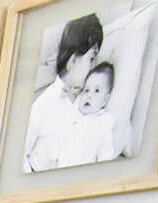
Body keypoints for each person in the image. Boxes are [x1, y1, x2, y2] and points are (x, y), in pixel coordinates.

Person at [24, 13, 104, 172]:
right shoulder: (43, 105)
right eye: (92, 58)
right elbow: (20, 158)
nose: (94, 66)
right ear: (73, 61)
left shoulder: (91, 101)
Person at [55, 60, 119, 167]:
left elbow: (105, 154)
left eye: (97, 91)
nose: (89, 95)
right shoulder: (74, 112)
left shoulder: (103, 123)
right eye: (86, 90)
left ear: (105, 100)